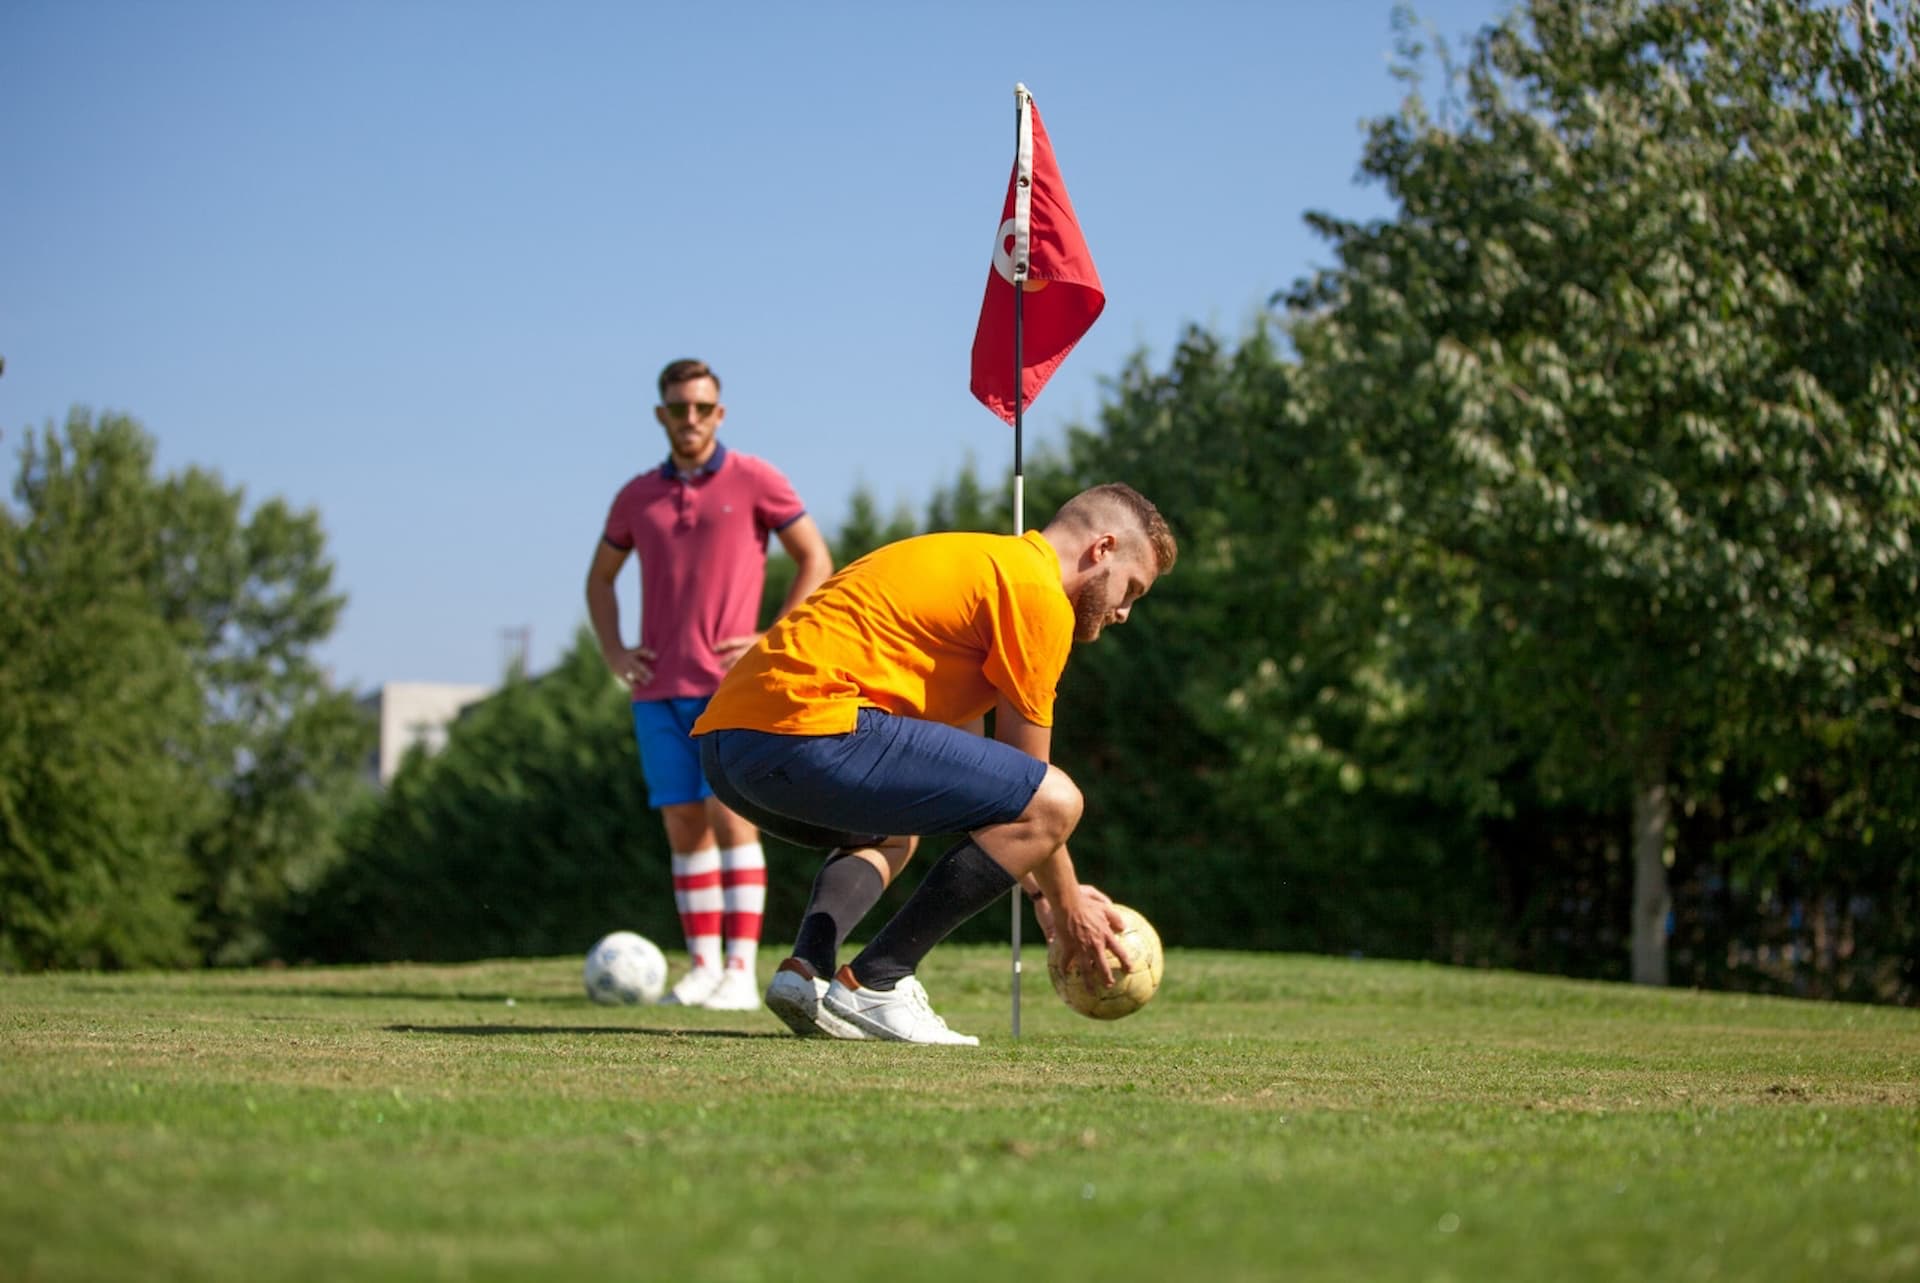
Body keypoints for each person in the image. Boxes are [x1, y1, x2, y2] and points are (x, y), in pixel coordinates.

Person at [692, 483, 1177, 1043]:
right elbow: (1034, 790)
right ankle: (879, 982)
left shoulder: (974, 562)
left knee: (895, 832)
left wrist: (1045, 893)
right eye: (1132, 589)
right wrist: (1069, 909)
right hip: (806, 733)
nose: (1123, 611)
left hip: (728, 750)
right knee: (1059, 797)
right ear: (1102, 549)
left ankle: (808, 972)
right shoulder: (1035, 591)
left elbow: (980, 782)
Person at [587, 358, 833, 1011]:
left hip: (731, 685)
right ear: (661, 415)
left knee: (732, 820)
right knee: (683, 824)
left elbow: (815, 555)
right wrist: (614, 649)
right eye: (677, 408)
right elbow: (600, 579)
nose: (689, 418)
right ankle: (700, 968)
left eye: (701, 407)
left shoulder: (755, 479)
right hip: (656, 690)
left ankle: (739, 973)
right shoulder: (636, 496)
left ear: (719, 413)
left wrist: (771, 635)